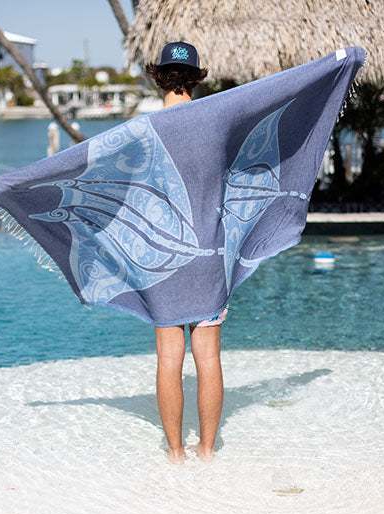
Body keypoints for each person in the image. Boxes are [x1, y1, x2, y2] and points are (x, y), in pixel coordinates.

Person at [145, 42, 224, 464]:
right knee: (207, 358)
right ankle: (207, 450)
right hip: (208, 255)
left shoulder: (145, 132)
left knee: (168, 359)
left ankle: (175, 453)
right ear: (196, 78)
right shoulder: (214, 128)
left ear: (159, 76)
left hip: (164, 258)